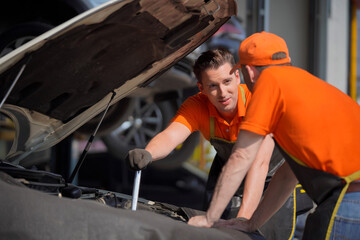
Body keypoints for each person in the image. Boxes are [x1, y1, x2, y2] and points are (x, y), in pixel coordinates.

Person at [188, 31, 360, 240]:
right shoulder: (309, 86)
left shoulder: (269, 83)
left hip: (349, 201)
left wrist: (209, 218)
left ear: (249, 72)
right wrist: (252, 224)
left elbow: (242, 156)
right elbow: (287, 176)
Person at [126, 48, 278, 220]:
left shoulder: (258, 101)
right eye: (213, 86)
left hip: (271, 176)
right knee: (213, 227)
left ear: (237, 77)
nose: (222, 93)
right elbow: (170, 136)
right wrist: (148, 153)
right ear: (201, 88)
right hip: (227, 170)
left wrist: (243, 222)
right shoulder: (197, 106)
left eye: (227, 81)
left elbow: (260, 164)